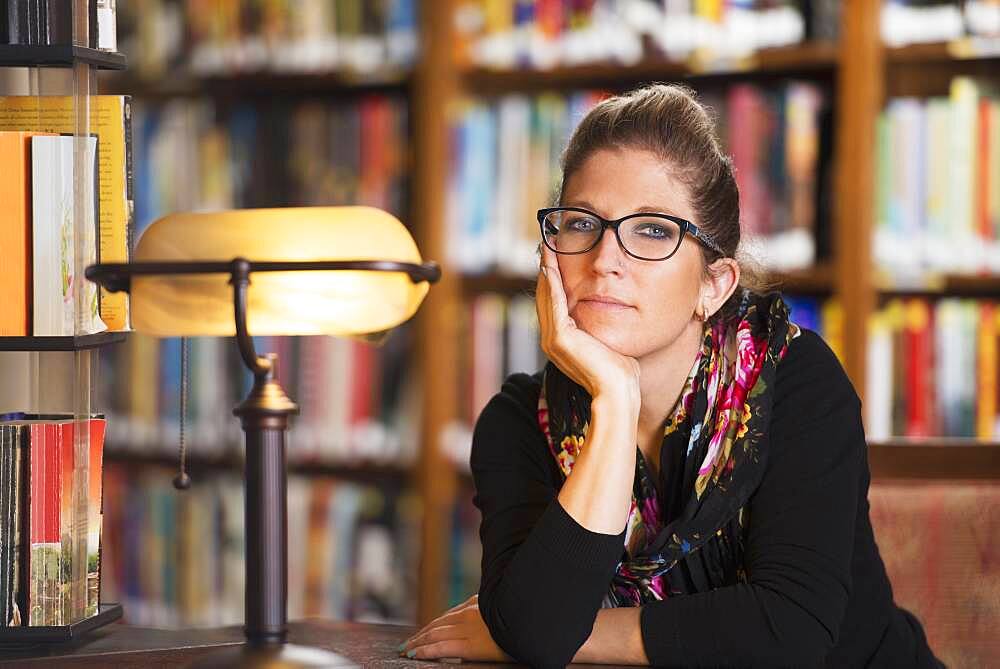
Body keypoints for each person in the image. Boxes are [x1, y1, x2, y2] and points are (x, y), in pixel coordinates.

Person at [399, 84, 940, 667]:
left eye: (653, 231)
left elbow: (790, 631)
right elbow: (534, 630)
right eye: (582, 224)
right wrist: (612, 399)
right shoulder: (520, 421)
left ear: (714, 285)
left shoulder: (796, 380)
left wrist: (578, 637)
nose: (605, 259)